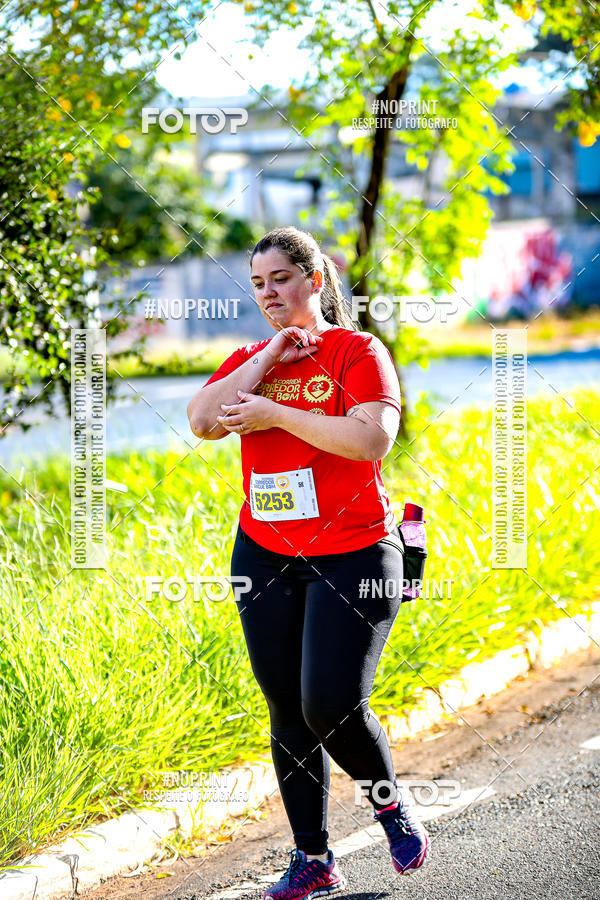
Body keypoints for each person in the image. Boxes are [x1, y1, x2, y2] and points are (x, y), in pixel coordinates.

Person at [187, 226, 429, 899]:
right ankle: (313, 858)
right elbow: (203, 421)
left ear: (314, 280)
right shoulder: (250, 358)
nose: (269, 293)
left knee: (330, 701)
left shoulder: (358, 351)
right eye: (258, 283)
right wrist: (266, 361)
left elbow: (370, 437)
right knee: (287, 709)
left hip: (356, 550)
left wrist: (273, 415)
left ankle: (388, 805)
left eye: (282, 279)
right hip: (265, 554)